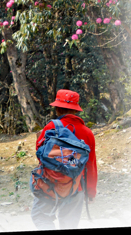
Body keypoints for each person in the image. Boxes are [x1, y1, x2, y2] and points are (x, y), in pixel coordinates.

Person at [31, 89, 98, 230]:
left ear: (57, 108)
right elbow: (90, 165)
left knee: (40, 217)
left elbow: (41, 155)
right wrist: (90, 192)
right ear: (76, 110)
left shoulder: (51, 127)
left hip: (50, 185)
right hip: (76, 186)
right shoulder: (87, 133)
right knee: (69, 225)